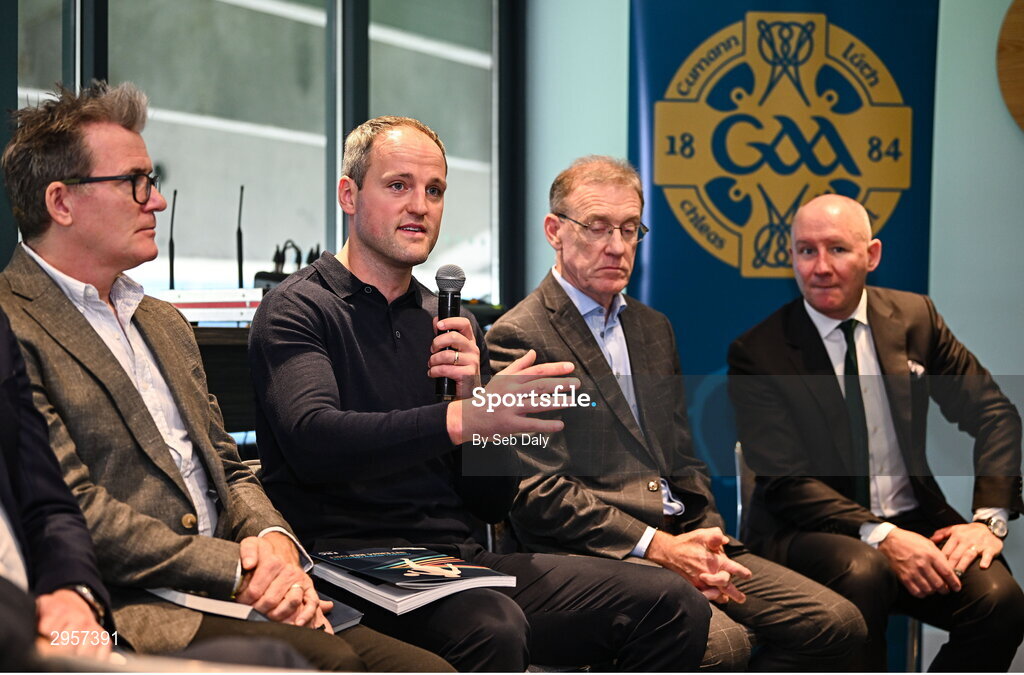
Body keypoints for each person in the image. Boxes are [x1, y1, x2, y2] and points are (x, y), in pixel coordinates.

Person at [0, 81, 450, 672]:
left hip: (274, 581)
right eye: (136, 183)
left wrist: (275, 546)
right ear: (61, 202)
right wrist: (240, 568)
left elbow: (229, 468)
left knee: (442, 663)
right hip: (140, 606)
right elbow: (73, 506)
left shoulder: (160, 320)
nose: (156, 202)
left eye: (436, 190)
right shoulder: (15, 326)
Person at [248, 116, 713, 672]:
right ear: (349, 195)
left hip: (456, 562)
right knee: (492, 625)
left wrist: (482, 413)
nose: (420, 205)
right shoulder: (299, 307)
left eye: (435, 190)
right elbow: (314, 440)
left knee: (669, 602)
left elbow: (490, 503)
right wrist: (464, 416)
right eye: (398, 186)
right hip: (348, 562)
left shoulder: (449, 319)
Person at [486, 155, 866, 670]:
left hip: (684, 538)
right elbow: (536, 493)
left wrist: (704, 545)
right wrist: (659, 548)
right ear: (555, 230)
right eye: (596, 227)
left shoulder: (652, 328)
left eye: (629, 228)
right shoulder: (519, 336)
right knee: (725, 645)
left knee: (839, 624)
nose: (617, 247)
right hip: (600, 557)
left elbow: (683, 460)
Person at [727, 193, 1024, 670]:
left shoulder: (915, 319)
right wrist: (882, 534)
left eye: (838, 249)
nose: (820, 267)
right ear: (792, 258)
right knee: (864, 571)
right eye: (806, 251)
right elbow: (786, 481)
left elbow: (994, 414)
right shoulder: (758, 352)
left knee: (1000, 601)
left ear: (872, 255)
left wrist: (989, 520)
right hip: (808, 532)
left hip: (916, 521)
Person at [0, 305, 112, 669]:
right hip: (19, 635)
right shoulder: (20, 310)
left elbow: (48, 503)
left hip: (53, 625)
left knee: (274, 655)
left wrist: (73, 592)